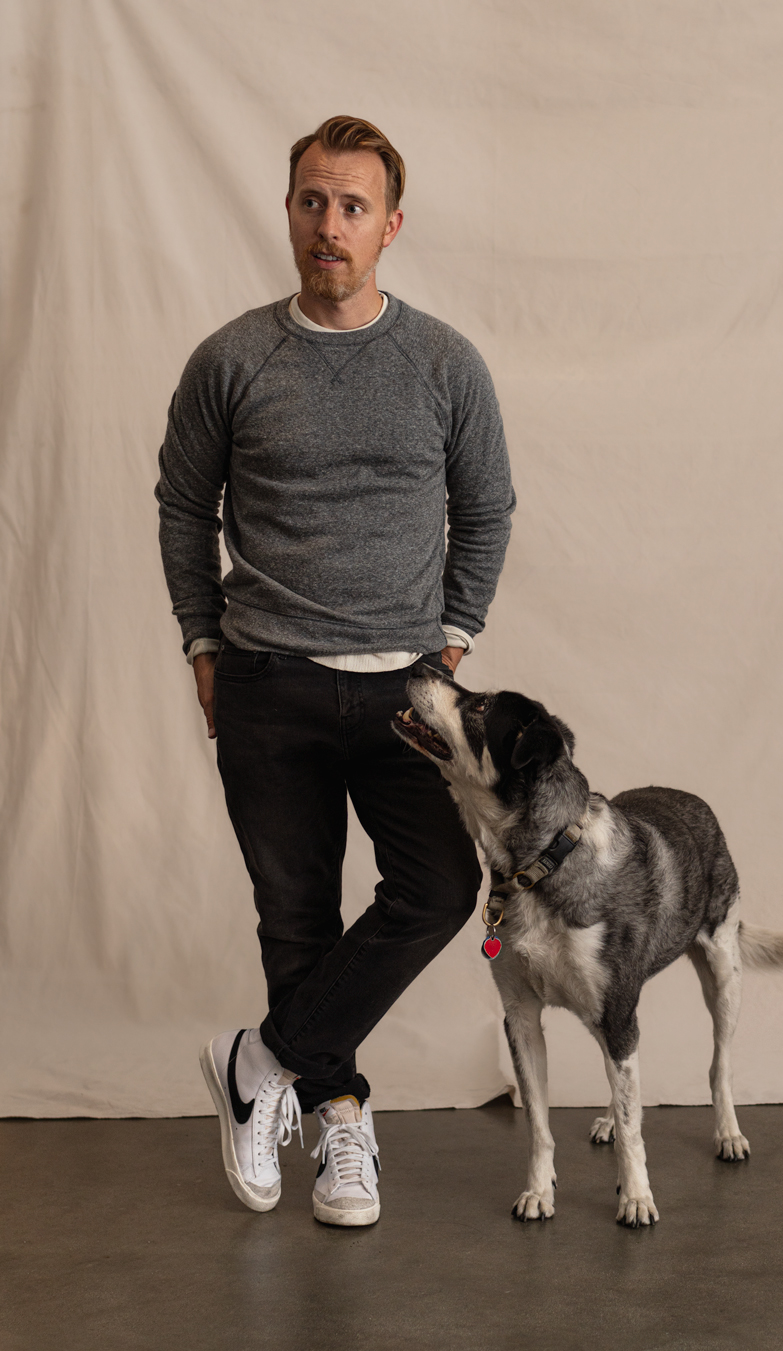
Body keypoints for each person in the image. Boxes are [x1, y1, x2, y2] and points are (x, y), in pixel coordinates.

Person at [155, 115, 515, 1227]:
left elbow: (486, 508)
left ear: (390, 226)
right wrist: (203, 642)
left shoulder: (443, 360)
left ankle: (256, 1061)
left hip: (408, 691)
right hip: (267, 677)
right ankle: (340, 1122)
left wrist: (448, 645)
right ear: (289, 210)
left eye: (352, 206)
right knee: (296, 914)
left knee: (442, 890)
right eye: (312, 200)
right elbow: (182, 507)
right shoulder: (232, 357)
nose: (329, 224)